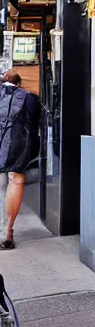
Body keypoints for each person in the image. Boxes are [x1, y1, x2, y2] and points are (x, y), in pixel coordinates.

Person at [0, 70, 39, 250]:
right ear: (19, 82)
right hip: (18, 143)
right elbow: (34, 123)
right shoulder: (29, 97)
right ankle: (7, 232)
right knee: (15, 180)